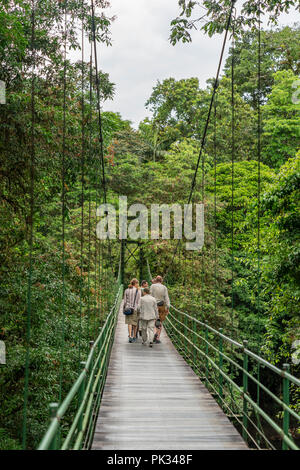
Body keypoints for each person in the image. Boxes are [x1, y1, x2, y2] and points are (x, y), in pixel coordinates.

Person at [150, 275, 170, 344]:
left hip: (154, 305)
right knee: (160, 321)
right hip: (161, 306)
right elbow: (166, 298)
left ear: (156, 280)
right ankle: (158, 337)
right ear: (161, 281)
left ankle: (154, 333)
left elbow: (150, 295)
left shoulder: (152, 286)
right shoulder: (164, 287)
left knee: (154, 320)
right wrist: (167, 307)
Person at [123, 278, 141, 343]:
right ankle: (134, 337)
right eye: (137, 283)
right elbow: (139, 301)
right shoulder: (138, 291)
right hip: (135, 308)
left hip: (128, 308)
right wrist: (139, 309)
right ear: (135, 283)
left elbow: (125, 301)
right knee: (135, 323)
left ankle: (130, 336)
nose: (138, 285)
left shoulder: (126, 290)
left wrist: (124, 308)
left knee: (129, 323)